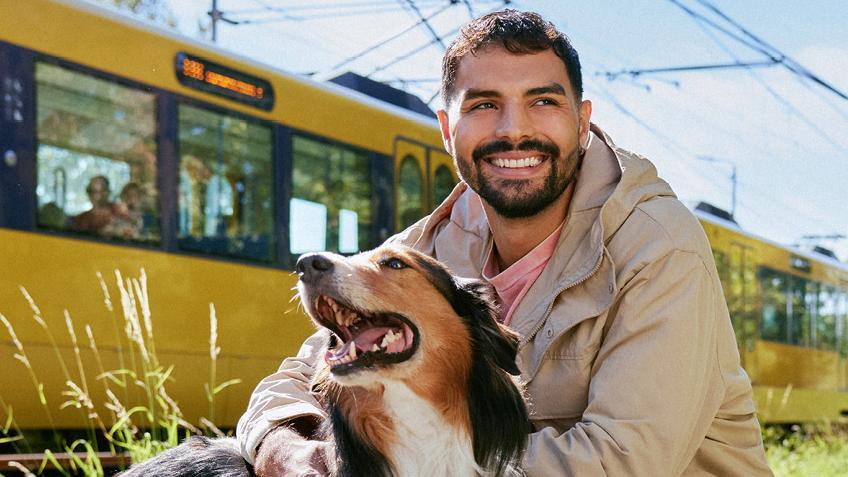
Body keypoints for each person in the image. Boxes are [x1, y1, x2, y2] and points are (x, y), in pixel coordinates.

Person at [237, 10, 772, 476]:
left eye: (543, 101)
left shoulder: (658, 245)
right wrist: (280, 444)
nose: (514, 130)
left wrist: (414, 463)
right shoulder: (424, 249)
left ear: (582, 122)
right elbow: (302, 376)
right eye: (484, 105)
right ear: (448, 130)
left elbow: (626, 460)